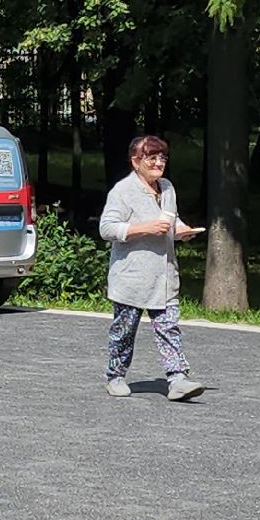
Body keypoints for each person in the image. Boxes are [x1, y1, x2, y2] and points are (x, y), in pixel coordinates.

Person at [97, 136, 206, 401]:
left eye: (162, 158)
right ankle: (115, 376)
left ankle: (178, 379)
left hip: (164, 277)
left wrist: (181, 230)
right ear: (136, 162)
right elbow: (106, 228)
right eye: (152, 158)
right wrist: (144, 228)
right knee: (124, 332)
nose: (159, 163)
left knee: (169, 328)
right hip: (132, 277)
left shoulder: (167, 188)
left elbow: (171, 220)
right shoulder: (122, 191)